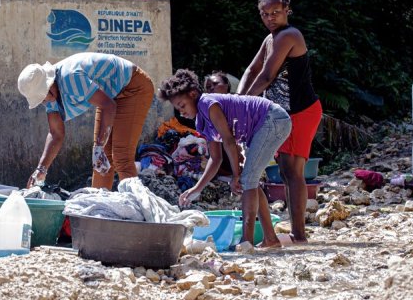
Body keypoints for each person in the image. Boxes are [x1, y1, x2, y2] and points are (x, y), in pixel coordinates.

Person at [158, 69, 291, 248]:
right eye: (178, 109)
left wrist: (236, 175)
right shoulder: (200, 121)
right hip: (263, 126)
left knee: (247, 179)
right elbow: (216, 158)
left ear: (193, 94)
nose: (181, 113)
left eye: (182, 105)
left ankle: (246, 242)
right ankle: (270, 239)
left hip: (273, 119)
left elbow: (228, 140)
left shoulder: (207, 103)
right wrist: (196, 189)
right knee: (249, 180)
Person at [237, 0, 322, 244]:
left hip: (301, 110)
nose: (270, 18)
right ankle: (296, 233)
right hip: (282, 112)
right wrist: (238, 98)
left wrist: (244, 104)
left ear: (287, 11)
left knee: (293, 170)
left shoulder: (289, 35)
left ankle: (299, 235)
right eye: (265, 14)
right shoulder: (270, 39)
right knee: (285, 170)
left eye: (275, 12)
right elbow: (251, 70)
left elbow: (266, 76)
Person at [17, 52, 154, 190]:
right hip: (109, 96)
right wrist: (41, 169)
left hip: (133, 87)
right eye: (41, 99)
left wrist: (100, 145)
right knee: (100, 161)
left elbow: (108, 106)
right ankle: (99, 207)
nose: (45, 100)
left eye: (44, 94)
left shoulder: (71, 77)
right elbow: (56, 133)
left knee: (121, 158)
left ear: (49, 82)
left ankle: (136, 206)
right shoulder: (50, 96)